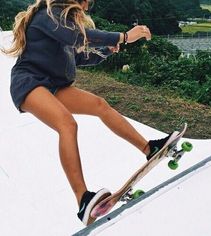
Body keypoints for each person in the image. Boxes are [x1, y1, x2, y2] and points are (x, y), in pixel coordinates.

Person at [3, 0, 174, 225]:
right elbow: (76, 38)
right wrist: (123, 36)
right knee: (67, 124)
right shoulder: (48, 16)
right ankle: (83, 199)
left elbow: (78, 57)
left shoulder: (62, 27)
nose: (86, 9)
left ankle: (149, 148)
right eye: (86, 4)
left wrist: (105, 51)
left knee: (99, 105)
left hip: (52, 84)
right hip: (28, 82)